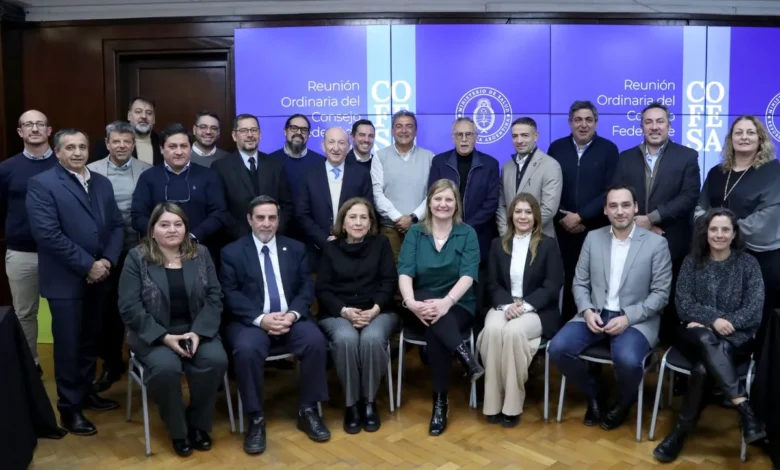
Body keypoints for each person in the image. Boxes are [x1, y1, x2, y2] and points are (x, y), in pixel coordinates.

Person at [547, 184, 672, 430]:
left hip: (635, 319)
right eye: (613, 206)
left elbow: (660, 295)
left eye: (625, 205)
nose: (620, 211)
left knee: (627, 360)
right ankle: (594, 393)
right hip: (594, 313)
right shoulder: (593, 238)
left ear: (635, 208)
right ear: (605, 210)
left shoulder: (656, 244)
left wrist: (627, 318)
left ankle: (624, 402)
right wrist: (586, 310)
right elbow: (580, 283)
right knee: (558, 349)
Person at [26, 129, 125, 435]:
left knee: (91, 341)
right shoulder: (42, 184)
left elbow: (117, 226)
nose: (78, 152)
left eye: (82, 146)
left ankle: (85, 393)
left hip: (101, 278)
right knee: (69, 346)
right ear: (57, 152)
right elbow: (47, 234)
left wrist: (106, 261)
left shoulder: (102, 183)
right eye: (70, 147)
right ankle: (69, 409)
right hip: (66, 282)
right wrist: (88, 265)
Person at [653, 208, 766, 462]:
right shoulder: (691, 262)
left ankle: (680, 433)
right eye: (714, 229)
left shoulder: (749, 264)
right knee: (705, 337)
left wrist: (721, 322)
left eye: (726, 229)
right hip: (695, 336)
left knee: (704, 369)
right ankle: (744, 408)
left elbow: (753, 310)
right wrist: (714, 321)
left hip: (736, 338)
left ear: (734, 233)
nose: (719, 234)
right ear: (706, 233)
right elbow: (683, 304)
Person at [220, 196, 331, 455]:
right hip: (251, 322)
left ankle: (308, 410)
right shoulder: (232, 252)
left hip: (290, 319)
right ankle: (255, 418)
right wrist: (261, 319)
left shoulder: (295, 248)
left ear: (279, 220)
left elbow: (306, 287)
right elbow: (230, 293)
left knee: (315, 341)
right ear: (249, 220)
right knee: (247, 350)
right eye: (260, 218)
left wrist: (292, 315)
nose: (266, 223)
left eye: (272, 218)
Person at [118, 203, 228, 457]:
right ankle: (178, 431)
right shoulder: (137, 258)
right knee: (165, 369)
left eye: (178, 224)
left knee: (215, 360)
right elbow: (129, 306)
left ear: (186, 228)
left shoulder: (200, 253)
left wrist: (198, 333)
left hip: (195, 330)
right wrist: (164, 337)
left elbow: (215, 296)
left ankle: (198, 424)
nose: (172, 230)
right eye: (165, 224)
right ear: (152, 230)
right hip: (154, 334)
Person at [397, 178, 484, 436]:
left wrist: (447, 302)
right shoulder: (415, 233)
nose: (443, 204)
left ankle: (440, 403)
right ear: (429, 202)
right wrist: (411, 303)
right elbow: (405, 272)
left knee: (436, 329)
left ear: (456, 204)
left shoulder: (467, 233)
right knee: (430, 307)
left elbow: (468, 275)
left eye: (448, 199)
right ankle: (465, 356)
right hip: (419, 306)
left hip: (458, 304)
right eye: (437, 199)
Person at [612, 102, 700, 344]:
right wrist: (637, 222)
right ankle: (633, 340)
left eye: (660, 121)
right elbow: (617, 194)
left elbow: (689, 196)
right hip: (632, 237)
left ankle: (669, 350)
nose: (654, 127)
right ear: (641, 127)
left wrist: (651, 219)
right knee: (634, 290)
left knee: (670, 296)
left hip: (672, 238)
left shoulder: (687, 156)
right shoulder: (626, 158)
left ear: (669, 125)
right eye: (648, 122)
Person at [477, 193, 564, 427]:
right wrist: (508, 306)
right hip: (504, 304)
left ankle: (512, 406)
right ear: (511, 215)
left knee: (513, 332)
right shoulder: (498, 244)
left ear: (535, 216)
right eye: (518, 211)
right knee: (492, 330)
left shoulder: (548, 245)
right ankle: (492, 403)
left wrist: (524, 307)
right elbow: (492, 283)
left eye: (528, 212)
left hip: (537, 309)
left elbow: (553, 284)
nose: (523, 216)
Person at [694, 115, 780, 349]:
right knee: (719, 317)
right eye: (738, 132)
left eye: (750, 132)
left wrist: (724, 232)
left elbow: (770, 215)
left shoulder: (773, 171)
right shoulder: (717, 172)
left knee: (756, 321)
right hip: (718, 257)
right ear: (730, 139)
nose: (744, 137)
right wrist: (714, 231)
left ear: (760, 138)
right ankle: (719, 359)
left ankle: (756, 365)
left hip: (760, 257)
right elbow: (700, 208)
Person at [316, 197, 398, 434]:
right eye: (352, 217)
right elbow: (323, 289)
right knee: (346, 339)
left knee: (372, 339)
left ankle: (369, 402)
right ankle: (352, 404)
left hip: (378, 310)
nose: (358, 222)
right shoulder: (331, 248)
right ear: (343, 223)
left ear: (371, 223)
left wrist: (374, 310)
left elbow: (388, 282)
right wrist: (345, 311)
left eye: (364, 217)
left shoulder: (381, 244)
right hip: (338, 313)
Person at [87, 120, 152, 391]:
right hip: (104, 253)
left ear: (133, 144)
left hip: (139, 249)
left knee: (143, 305)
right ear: (107, 143)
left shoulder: (146, 170)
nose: (122, 146)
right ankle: (112, 363)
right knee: (108, 310)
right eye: (116, 141)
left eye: (127, 141)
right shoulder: (91, 170)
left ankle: (147, 360)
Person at [548, 101, 620, 321]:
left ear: (596, 122)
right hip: (562, 228)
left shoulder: (609, 149)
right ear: (570, 122)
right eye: (578, 120)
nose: (583, 125)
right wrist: (563, 217)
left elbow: (610, 191)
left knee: (595, 280)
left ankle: (595, 324)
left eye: (588, 120)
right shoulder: (556, 148)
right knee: (565, 279)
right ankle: (565, 327)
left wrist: (582, 217)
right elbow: (550, 188)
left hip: (595, 228)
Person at [0, 109, 57, 373]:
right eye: (28, 124)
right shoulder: (6, 169)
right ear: (20, 132)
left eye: (40, 124)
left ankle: (67, 367)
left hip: (60, 253)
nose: (34, 129)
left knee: (66, 311)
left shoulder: (64, 164)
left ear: (49, 130)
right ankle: (31, 365)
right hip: (22, 253)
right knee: (24, 313)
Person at [131, 123, 228, 246]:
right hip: (158, 248)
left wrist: (194, 236)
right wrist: (161, 235)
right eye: (172, 146)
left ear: (190, 149)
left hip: (200, 245)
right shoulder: (148, 177)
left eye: (183, 146)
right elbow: (138, 216)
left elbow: (219, 213)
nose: (179, 152)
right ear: (161, 149)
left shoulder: (208, 175)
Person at [296, 127, 373, 271]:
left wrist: (346, 239)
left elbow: (368, 211)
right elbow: (302, 214)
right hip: (317, 250)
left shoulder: (361, 174)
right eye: (331, 142)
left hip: (353, 249)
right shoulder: (308, 174)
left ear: (348, 147)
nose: (336, 148)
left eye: (341, 143)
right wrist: (324, 240)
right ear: (323, 145)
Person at [428, 117, 500, 264]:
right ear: (453, 138)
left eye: (469, 134)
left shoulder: (490, 164)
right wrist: (451, 224)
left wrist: (467, 226)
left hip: (478, 233)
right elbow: (433, 196)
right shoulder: (439, 162)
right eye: (459, 135)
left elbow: (492, 202)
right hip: (444, 231)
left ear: (476, 137)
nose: (464, 139)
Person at [212, 114, 293, 240]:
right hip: (237, 241)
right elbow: (220, 210)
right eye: (244, 131)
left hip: (273, 238)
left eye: (254, 130)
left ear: (260, 134)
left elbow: (286, 205)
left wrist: (274, 231)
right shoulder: (220, 167)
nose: (250, 135)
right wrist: (246, 237)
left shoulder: (276, 165)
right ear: (234, 136)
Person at [371, 110, 434, 264]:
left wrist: (412, 218)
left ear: (416, 131)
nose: (404, 130)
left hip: (421, 228)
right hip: (389, 229)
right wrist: (399, 218)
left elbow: (432, 195)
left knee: (421, 270)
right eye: (399, 126)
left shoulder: (429, 157)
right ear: (392, 131)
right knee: (391, 271)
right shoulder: (379, 156)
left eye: (409, 126)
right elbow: (377, 193)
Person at [496, 117, 562, 239]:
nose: (519, 140)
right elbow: (501, 205)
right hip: (509, 239)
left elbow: (548, 209)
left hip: (539, 239)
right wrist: (506, 233)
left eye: (525, 135)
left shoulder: (551, 165)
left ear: (536, 136)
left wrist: (522, 232)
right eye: (515, 136)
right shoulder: (507, 167)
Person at [91, 96, 162, 165]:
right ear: (129, 116)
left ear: (154, 119)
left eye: (149, 113)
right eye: (138, 112)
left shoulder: (162, 143)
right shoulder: (105, 145)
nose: (144, 116)